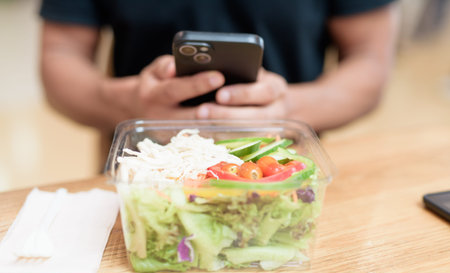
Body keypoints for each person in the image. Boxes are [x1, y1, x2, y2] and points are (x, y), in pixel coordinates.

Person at [39, 0, 399, 137]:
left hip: (284, 173)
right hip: (143, 176)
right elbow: (60, 54)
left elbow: (370, 58)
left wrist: (287, 110)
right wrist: (130, 103)